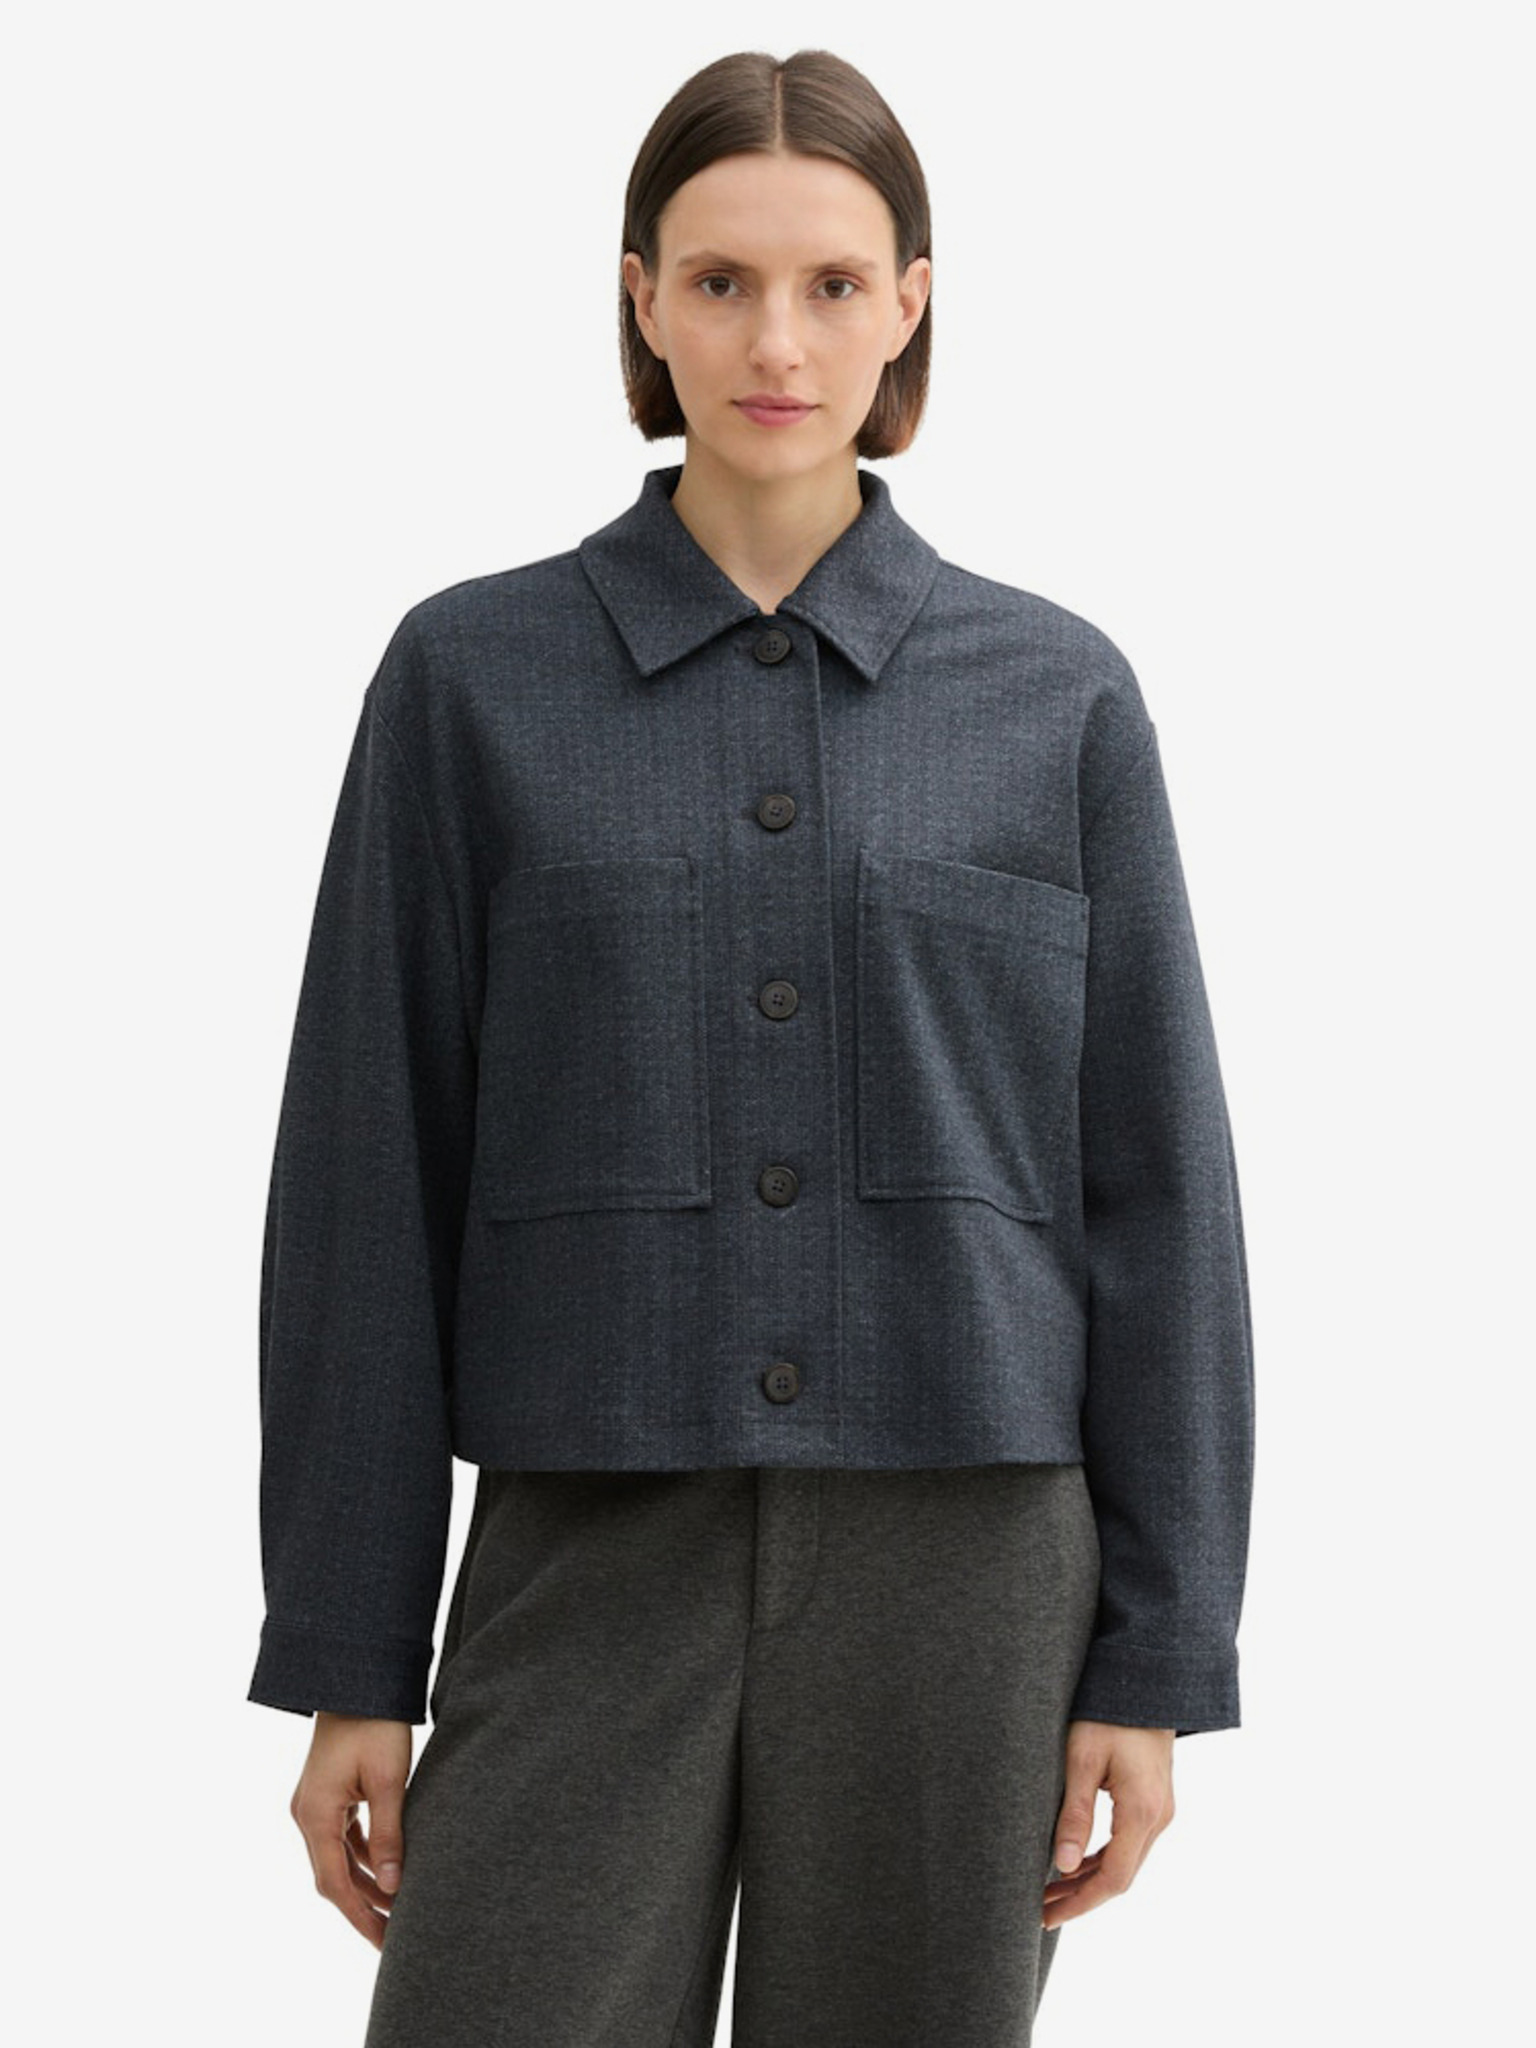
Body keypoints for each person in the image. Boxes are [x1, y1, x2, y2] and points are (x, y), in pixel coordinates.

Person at [248, 46, 1255, 2048]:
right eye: (718, 282)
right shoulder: (469, 679)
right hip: (585, 1541)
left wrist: (1157, 1653)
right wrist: (351, 1651)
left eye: (830, 283)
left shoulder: (1057, 697)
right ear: (641, 300)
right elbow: (369, 1178)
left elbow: (1159, 1197)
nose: (775, 341)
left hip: (969, 1568)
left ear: (911, 304)